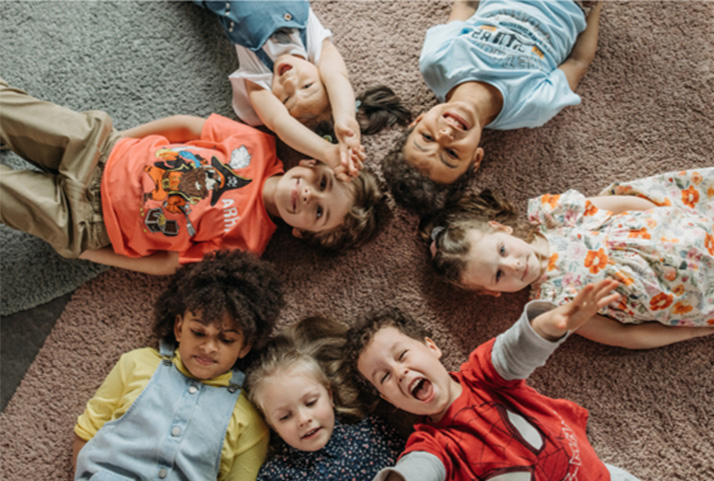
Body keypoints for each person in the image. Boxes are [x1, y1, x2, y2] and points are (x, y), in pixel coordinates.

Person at [345, 282, 694, 481]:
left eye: (403, 355)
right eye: (385, 378)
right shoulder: (434, 445)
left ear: (431, 347)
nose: (400, 372)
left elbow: (514, 349)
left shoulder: (483, 374)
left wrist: (555, 323)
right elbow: (417, 475)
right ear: (389, 400)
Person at [0, 80, 383, 276]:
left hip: (89, 223)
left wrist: (86, 251)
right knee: (12, 109)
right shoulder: (258, 146)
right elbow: (186, 126)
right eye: (321, 184)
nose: (306, 196)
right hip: (99, 150)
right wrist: (120, 140)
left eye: (317, 213)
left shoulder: (248, 247)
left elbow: (168, 263)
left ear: (302, 233)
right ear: (311, 164)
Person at [34, 249, 284, 481]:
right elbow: (87, 431)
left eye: (226, 339)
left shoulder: (248, 418)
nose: (209, 347)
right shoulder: (136, 364)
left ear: (245, 347)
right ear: (179, 328)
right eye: (198, 332)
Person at [422, 166, 714, 348]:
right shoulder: (556, 305)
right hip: (689, 297)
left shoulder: (556, 218)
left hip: (687, 236)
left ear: (503, 229)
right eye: (499, 275)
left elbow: (621, 206)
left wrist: (665, 218)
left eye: (502, 251)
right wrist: (689, 333)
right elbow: (623, 336)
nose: (514, 265)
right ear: (491, 293)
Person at [381, 0, 603, 215]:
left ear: (417, 121)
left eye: (427, 138)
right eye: (451, 153)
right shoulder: (533, 107)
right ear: (476, 159)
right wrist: (596, 7)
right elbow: (577, 62)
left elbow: (466, 5)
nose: (446, 134)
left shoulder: (436, 61)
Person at [244, 316, 447, 481]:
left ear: (329, 395)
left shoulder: (373, 435)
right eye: (285, 417)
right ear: (271, 425)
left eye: (311, 403)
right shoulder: (274, 479)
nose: (303, 419)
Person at [195, 0, 411, 179]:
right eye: (308, 86)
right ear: (321, 74)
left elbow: (280, 123)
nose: (290, 82)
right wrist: (345, 118)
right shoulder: (315, 46)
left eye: (287, 99)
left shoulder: (259, 74)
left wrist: (326, 152)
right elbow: (337, 75)